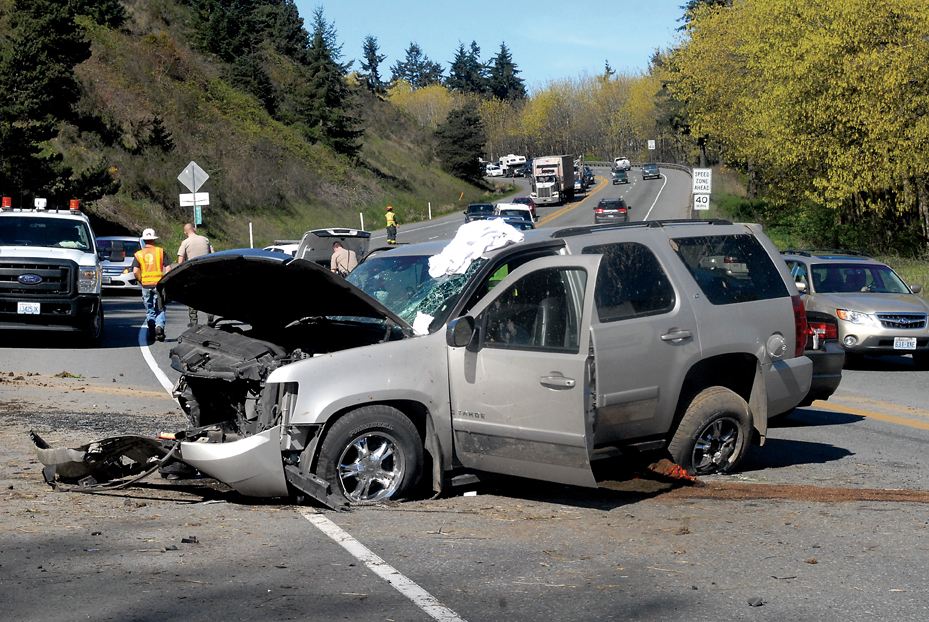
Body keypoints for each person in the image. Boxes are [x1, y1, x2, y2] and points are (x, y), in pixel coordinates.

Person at [132, 228, 171, 342]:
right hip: (159, 285)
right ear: (154, 239)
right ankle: (159, 326)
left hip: (146, 285)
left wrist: (141, 280)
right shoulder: (160, 251)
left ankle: (152, 332)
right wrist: (164, 281)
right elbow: (168, 268)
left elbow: (135, 271)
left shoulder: (139, 254)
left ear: (144, 240)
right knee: (160, 308)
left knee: (150, 310)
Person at [176, 223, 215, 327]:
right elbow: (213, 253)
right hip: (206, 272)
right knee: (207, 295)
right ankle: (210, 315)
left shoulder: (185, 243)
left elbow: (180, 261)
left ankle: (194, 321)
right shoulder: (205, 239)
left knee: (192, 296)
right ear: (194, 229)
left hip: (193, 273)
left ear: (185, 232)